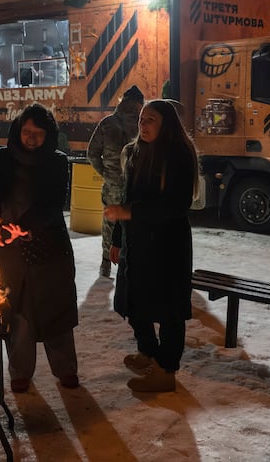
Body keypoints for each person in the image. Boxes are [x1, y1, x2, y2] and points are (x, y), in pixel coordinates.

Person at [0, 103, 80, 393]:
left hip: (48, 247)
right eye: (26, 132)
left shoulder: (57, 162)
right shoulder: (2, 158)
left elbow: (53, 202)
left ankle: (66, 369)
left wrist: (26, 228)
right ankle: (20, 372)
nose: (31, 138)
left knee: (55, 311)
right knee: (17, 313)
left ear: (48, 135)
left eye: (38, 133)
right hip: (6, 250)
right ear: (17, 131)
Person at [104, 99, 198, 393]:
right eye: (142, 119)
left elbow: (175, 205)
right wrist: (118, 239)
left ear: (166, 124)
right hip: (137, 243)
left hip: (167, 246)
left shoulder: (179, 155)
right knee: (134, 301)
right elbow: (128, 197)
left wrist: (129, 213)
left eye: (151, 120)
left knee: (169, 310)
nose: (142, 125)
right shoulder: (135, 152)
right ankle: (147, 352)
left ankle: (166, 369)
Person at [87, 85, 144, 278]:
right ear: (139, 105)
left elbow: (92, 153)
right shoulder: (143, 123)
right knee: (134, 222)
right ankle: (130, 263)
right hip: (136, 184)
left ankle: (105, 263)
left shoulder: (107, 123)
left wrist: (105, 172)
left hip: (112, 183)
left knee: (109, 223)